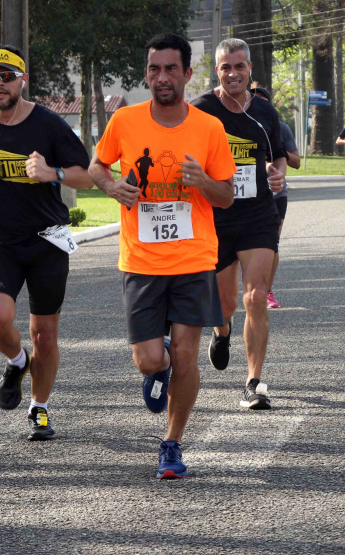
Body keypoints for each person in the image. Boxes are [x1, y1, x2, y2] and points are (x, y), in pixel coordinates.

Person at [89, 33, 236, 478]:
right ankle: (161, 363)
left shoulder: (209, 128)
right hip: (141, 262)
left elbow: (227, 196)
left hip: (193, 260)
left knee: (189, 357)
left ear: (188, 75)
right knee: (149, 360)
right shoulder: (126, 121)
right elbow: (98, 165)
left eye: (171, 68)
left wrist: (202, 184)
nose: (162, 77)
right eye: (154, 69)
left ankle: (171, 444)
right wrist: (111, 186)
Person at [0, 44, 93, 439]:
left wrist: (53, 173)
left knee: (45, 333)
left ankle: (39, 409)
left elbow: (87, 175)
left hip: (48, 241)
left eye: (6, 76)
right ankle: (15, 360)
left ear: (22, 80)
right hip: (0, 240)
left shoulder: (48, 124)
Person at [190, 38, 286, 411]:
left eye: (239, 66)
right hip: (214, 216)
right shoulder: (200, 109)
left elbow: (278, 157)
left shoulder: (264, 110)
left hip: (257, 215)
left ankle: (253, 381)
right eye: (225, 67)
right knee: (225, 301)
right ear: (217, 70)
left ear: (250, 70)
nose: (233, 73)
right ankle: (221, 330)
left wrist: (276, 175)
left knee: (256, 296)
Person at [251, 85, 300, 310]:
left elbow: (296, 162)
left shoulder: (281, 128)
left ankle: (267, 291)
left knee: (272, 243)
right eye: (254, 100)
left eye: (263, 101)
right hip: (248, 193)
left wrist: (279, 151)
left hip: (276, 192)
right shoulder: (240, 126)